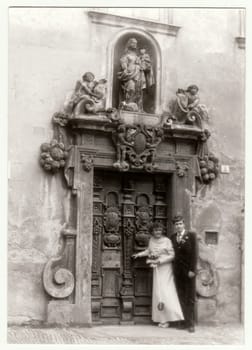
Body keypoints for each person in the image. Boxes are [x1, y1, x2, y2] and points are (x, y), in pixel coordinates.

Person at [132, 222, 184, 328]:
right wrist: (139, 254)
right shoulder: (151, 240)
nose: (158, 232)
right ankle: (163, 319)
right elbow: (149, 251)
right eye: (156, 230)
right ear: (152, 232)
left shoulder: (167, 241)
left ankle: (175, 317)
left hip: (165, 268)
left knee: (166, 292)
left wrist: (159, 261)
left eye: (159, 230)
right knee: (158, 293)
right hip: (157, 270)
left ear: (162, 231)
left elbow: (172, 255)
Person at [170, 215, 198, 333]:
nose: (178, 226)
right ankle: (182, 322)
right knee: (181, 296)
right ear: (174, 226)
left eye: (180, 223)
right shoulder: (172, 237)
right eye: (176, 224)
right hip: (177, 272)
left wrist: (192, 270)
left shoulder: (191, 236)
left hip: (189, 272)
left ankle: (190, 324)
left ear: (184, 224)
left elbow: (194, 254)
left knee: (190, 297)